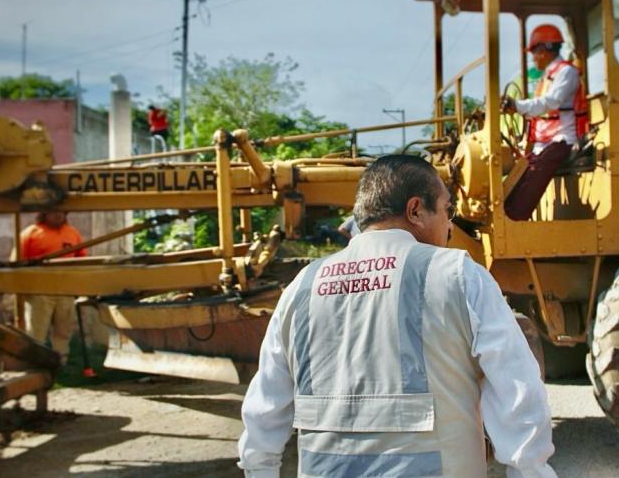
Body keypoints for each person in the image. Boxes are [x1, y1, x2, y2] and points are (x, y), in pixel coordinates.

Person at [238, 155, 555, 478]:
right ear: (416, 210)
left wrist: (260, 470)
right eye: (448, 211)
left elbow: (265, 408)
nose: (449, 226)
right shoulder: (458, 276)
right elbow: (518, 394)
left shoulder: (302, 286)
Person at [501, 24, 589, 220]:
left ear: (544, 50)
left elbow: (552, 102)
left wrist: (518, 106)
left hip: (563, 140)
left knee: (535, 174)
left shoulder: (567, 73)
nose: (533, 58)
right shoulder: (548, 76)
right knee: (520, 174)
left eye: (534, 52)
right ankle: (503, 214)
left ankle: (513, 221)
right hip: (545, 143)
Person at [19, 211, 87, 364]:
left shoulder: (72, 233)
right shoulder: (30, 233)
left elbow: (82, 260)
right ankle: (34, 363)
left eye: (62, 213)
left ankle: (60, 362)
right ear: (44, 214)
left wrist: (79, 286)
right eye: (55, 212)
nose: (59, 216)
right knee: (36, 331)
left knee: (63, 331)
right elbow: (16, 261)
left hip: (65, 290)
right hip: (39, 290)